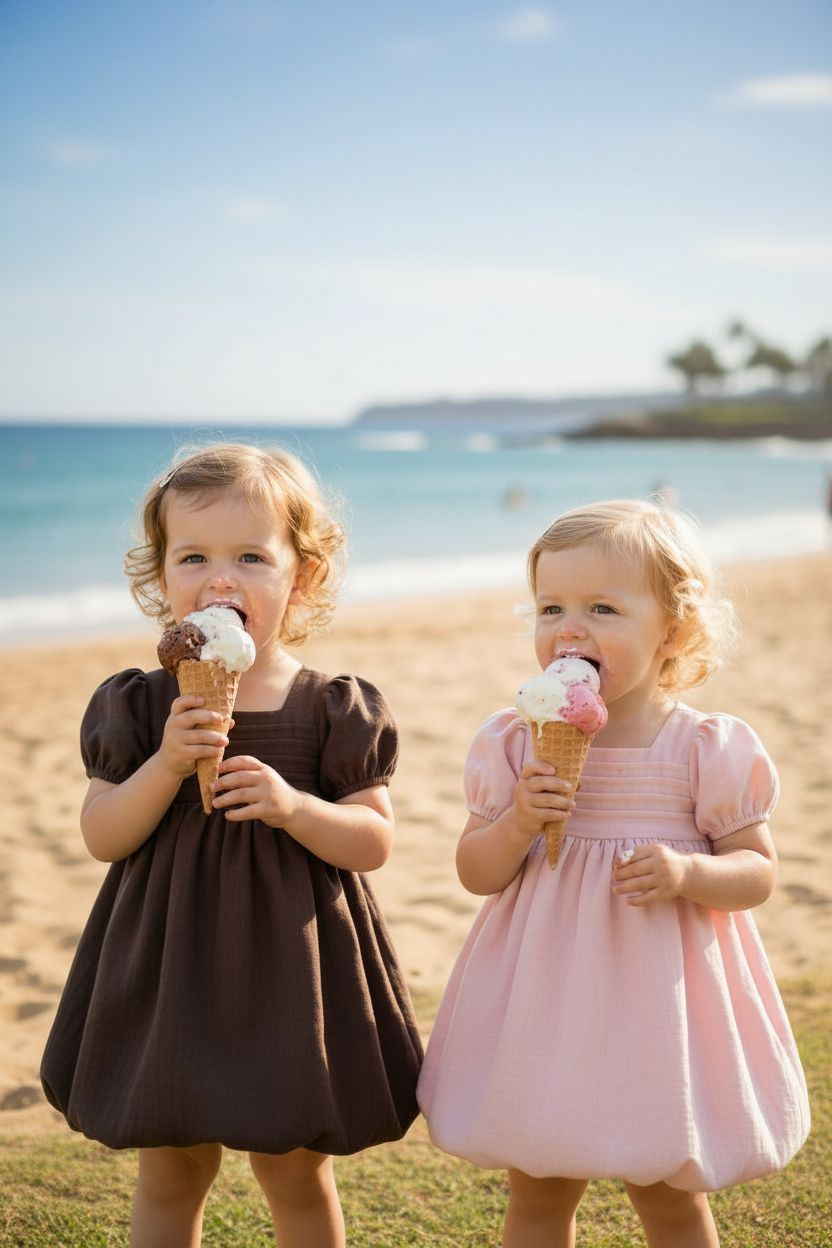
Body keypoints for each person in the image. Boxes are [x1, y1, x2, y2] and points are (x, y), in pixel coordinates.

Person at [41, 443, 423, 1248]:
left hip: (290, 969)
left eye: (251, 556)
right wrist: (166, 764)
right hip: (170, 962)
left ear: (303, 577)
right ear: (161, 578)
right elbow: (103, 834)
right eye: (195, 557)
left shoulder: (332, 706)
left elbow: (374, 841)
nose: (221, 578)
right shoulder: (139, 705)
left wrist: (294, 808)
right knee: (173, 1165)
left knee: (293, 1165)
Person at [417, 498, 809, 1248]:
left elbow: (758, 871)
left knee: (667, 1196)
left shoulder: (703, 746)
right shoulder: (513, 741)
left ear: (674, 631)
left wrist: (691, 874)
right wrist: (519, 821)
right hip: (546, 998)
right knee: (538, 1192)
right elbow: (475, 872)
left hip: (657, 1012)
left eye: (602, 608)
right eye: (551, 607)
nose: (569, 628)